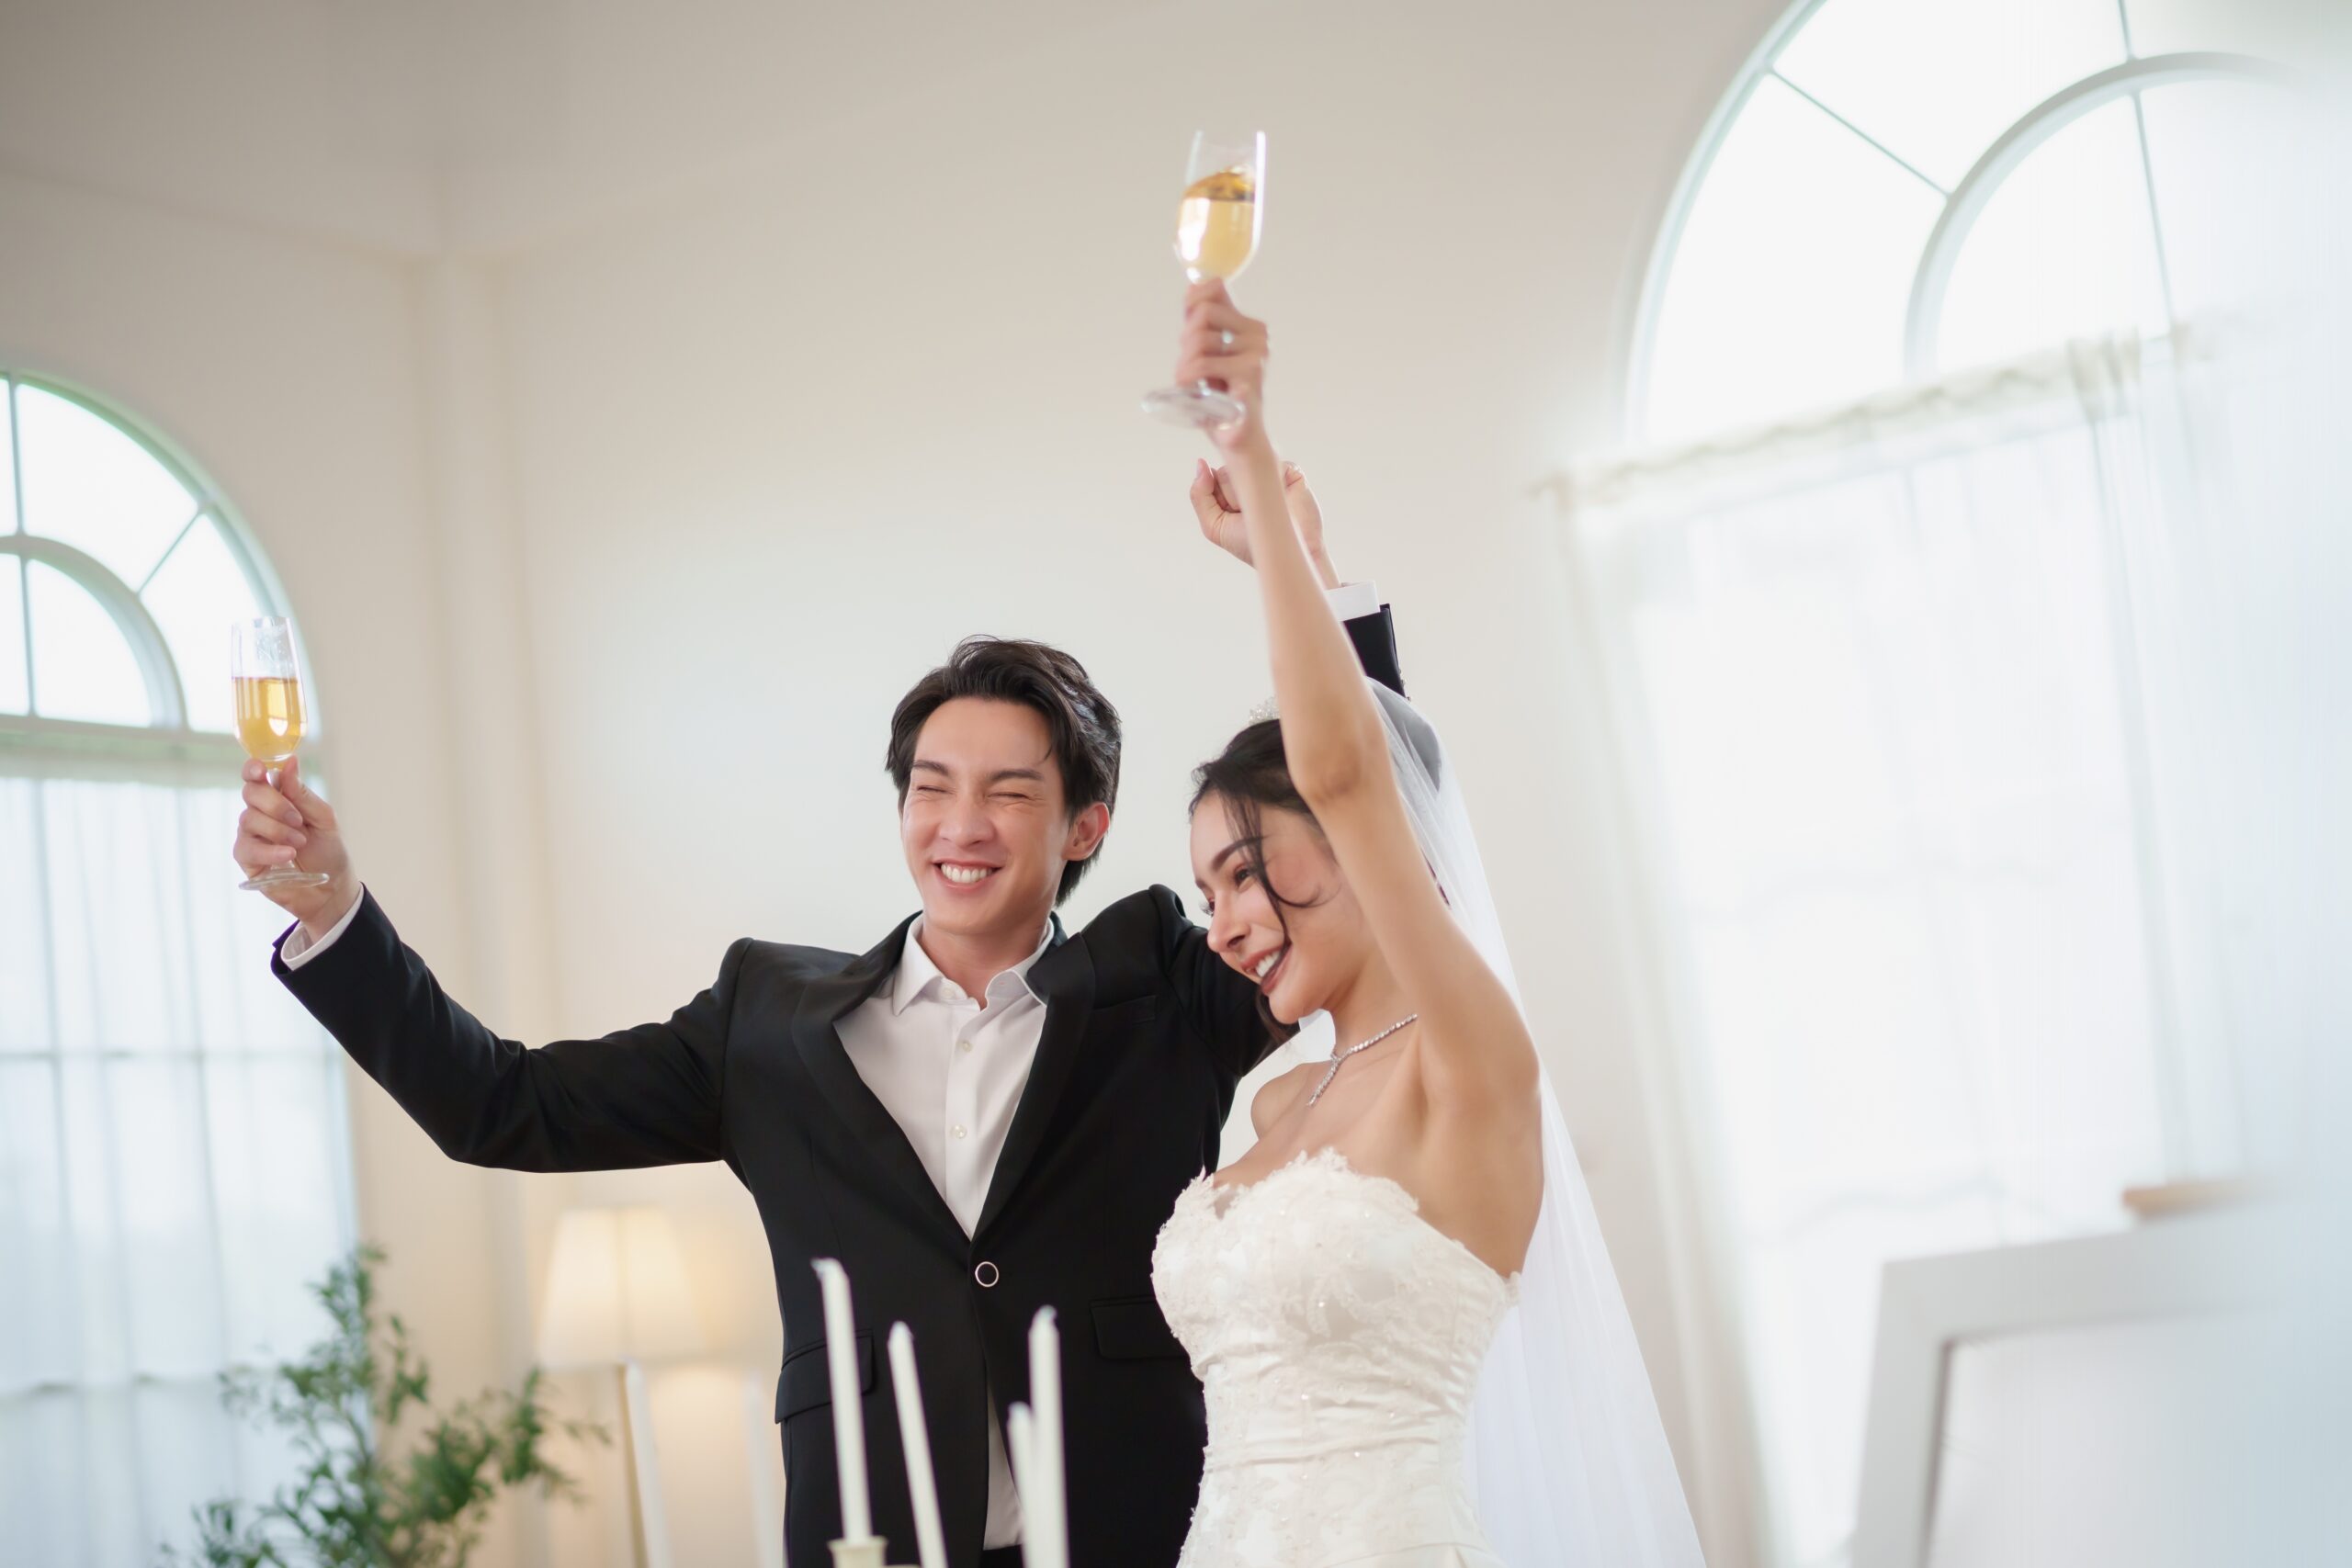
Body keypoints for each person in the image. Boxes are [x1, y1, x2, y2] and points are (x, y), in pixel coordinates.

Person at [232, 519, 1408, 1568]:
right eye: (931, 787)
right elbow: (500, 1104)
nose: (960, 825)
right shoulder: (766, 1022)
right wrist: (334, 916)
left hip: (1141, 1526)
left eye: (1006, 793)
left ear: (1082, 825)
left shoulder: (1162, 981)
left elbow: (1379, 847)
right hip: (871, 1535)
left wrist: (1320, 603)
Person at [1151, 279, 1706, 1567]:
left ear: (1357, 839)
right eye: (1206, 892)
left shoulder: (1470, 1061)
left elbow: (1353, 768)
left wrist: (1257, 475)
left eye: (1246, 870)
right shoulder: (1277, 1110)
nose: (1226, 922)